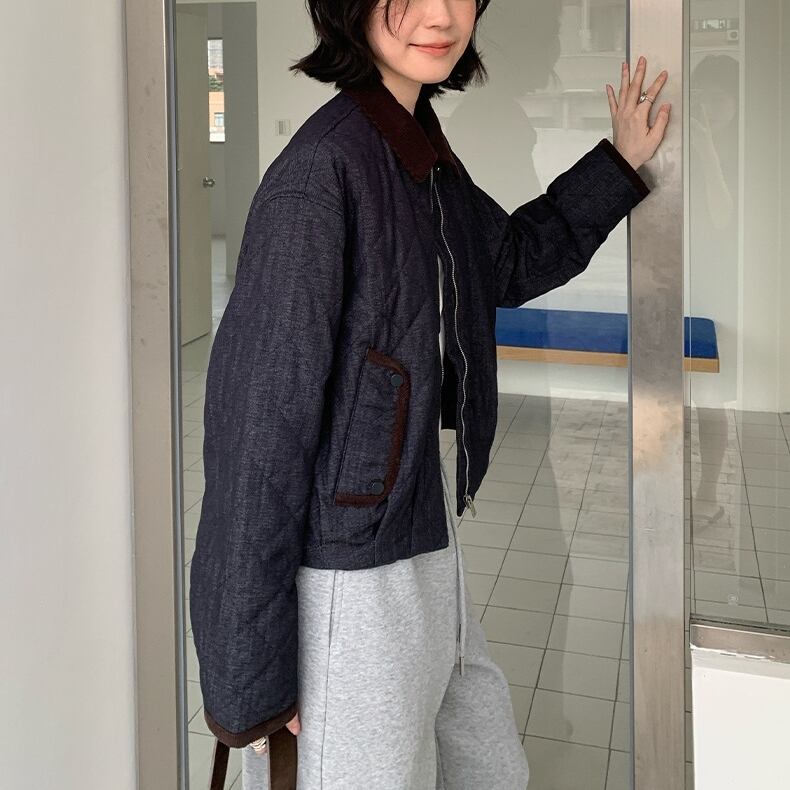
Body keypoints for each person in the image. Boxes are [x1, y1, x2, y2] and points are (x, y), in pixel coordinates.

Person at [188, 1, 671, 788]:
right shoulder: (322, 174)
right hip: (350, 579)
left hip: (419, 530)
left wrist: (618, 163)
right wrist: (251, 682)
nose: (439, 13)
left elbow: (507, 260)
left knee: (487, 766)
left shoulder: (413, 149)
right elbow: (256, 438)